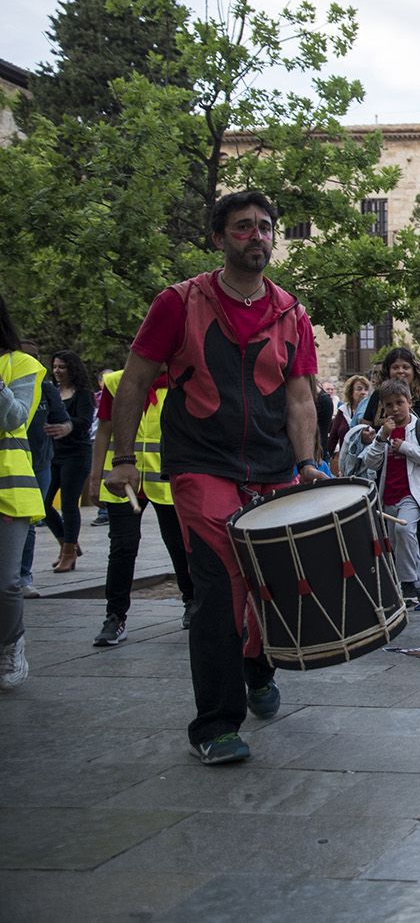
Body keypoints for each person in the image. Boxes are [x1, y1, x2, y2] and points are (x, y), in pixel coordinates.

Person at [107, 191, 321, 764]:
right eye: (243, 226)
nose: (257, 236)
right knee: (221, 587)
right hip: (201, 465)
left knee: (275, 583)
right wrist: (123, 457)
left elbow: (301, 398)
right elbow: (135, 380)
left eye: (265, 227)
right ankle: (216, 724)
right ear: (219, 238)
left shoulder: (292, 313)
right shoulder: (178, 303)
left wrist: (307, 463)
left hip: (273, 467)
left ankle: (258, 666)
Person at [85, 364, 195, 644]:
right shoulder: (115, 382)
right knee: (122, 547)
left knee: (179, 545)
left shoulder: (180, 379)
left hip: (165, 480)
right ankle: (115, 616)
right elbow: (104, 429)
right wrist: (95, 476)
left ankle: (191, 601)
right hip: (122, 480)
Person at [357, 379, 420, 608]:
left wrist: (406, 448)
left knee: (404, 530)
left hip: (413, 494)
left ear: (409, 402)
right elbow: (370, 462)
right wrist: (381, 439)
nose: (395, 409)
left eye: (399, 402)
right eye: (389, 405)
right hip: (390, 495)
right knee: (399, 543)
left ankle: (408, 583)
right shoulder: (384, 432)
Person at [0, 294, 45, 690]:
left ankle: (11, 644)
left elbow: (15, 417)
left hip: (8, 488)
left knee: (6, 581)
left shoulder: (21, 364)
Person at [16, 340, 67, 598]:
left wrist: (63, 428)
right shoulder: (9, 383)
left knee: (29, 521)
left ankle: (23, 577)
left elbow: (64, 420)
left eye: (35, 357)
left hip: (39, 463)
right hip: (12, 462)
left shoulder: (46, 388)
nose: (31, 362)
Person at [42, 350, 95, 573]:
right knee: (43, 504)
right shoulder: (50, 392)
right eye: (55, 366)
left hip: (76, 454)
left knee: (68, 504)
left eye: (62, 367)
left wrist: (68, 426)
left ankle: (68, 553)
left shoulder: (83, 394)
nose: (57, 371)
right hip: (53, 454)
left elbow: (85, 421)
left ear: (72, 369)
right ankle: (67, 543)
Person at [326, 375, 369, 476]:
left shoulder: (370, 412)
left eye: (366, 389)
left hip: (366, 463)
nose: (363, 392)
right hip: (345, 464)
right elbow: (333, 438)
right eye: (359, 389)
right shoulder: (343, 411)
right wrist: (325, 459)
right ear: (351, 392)